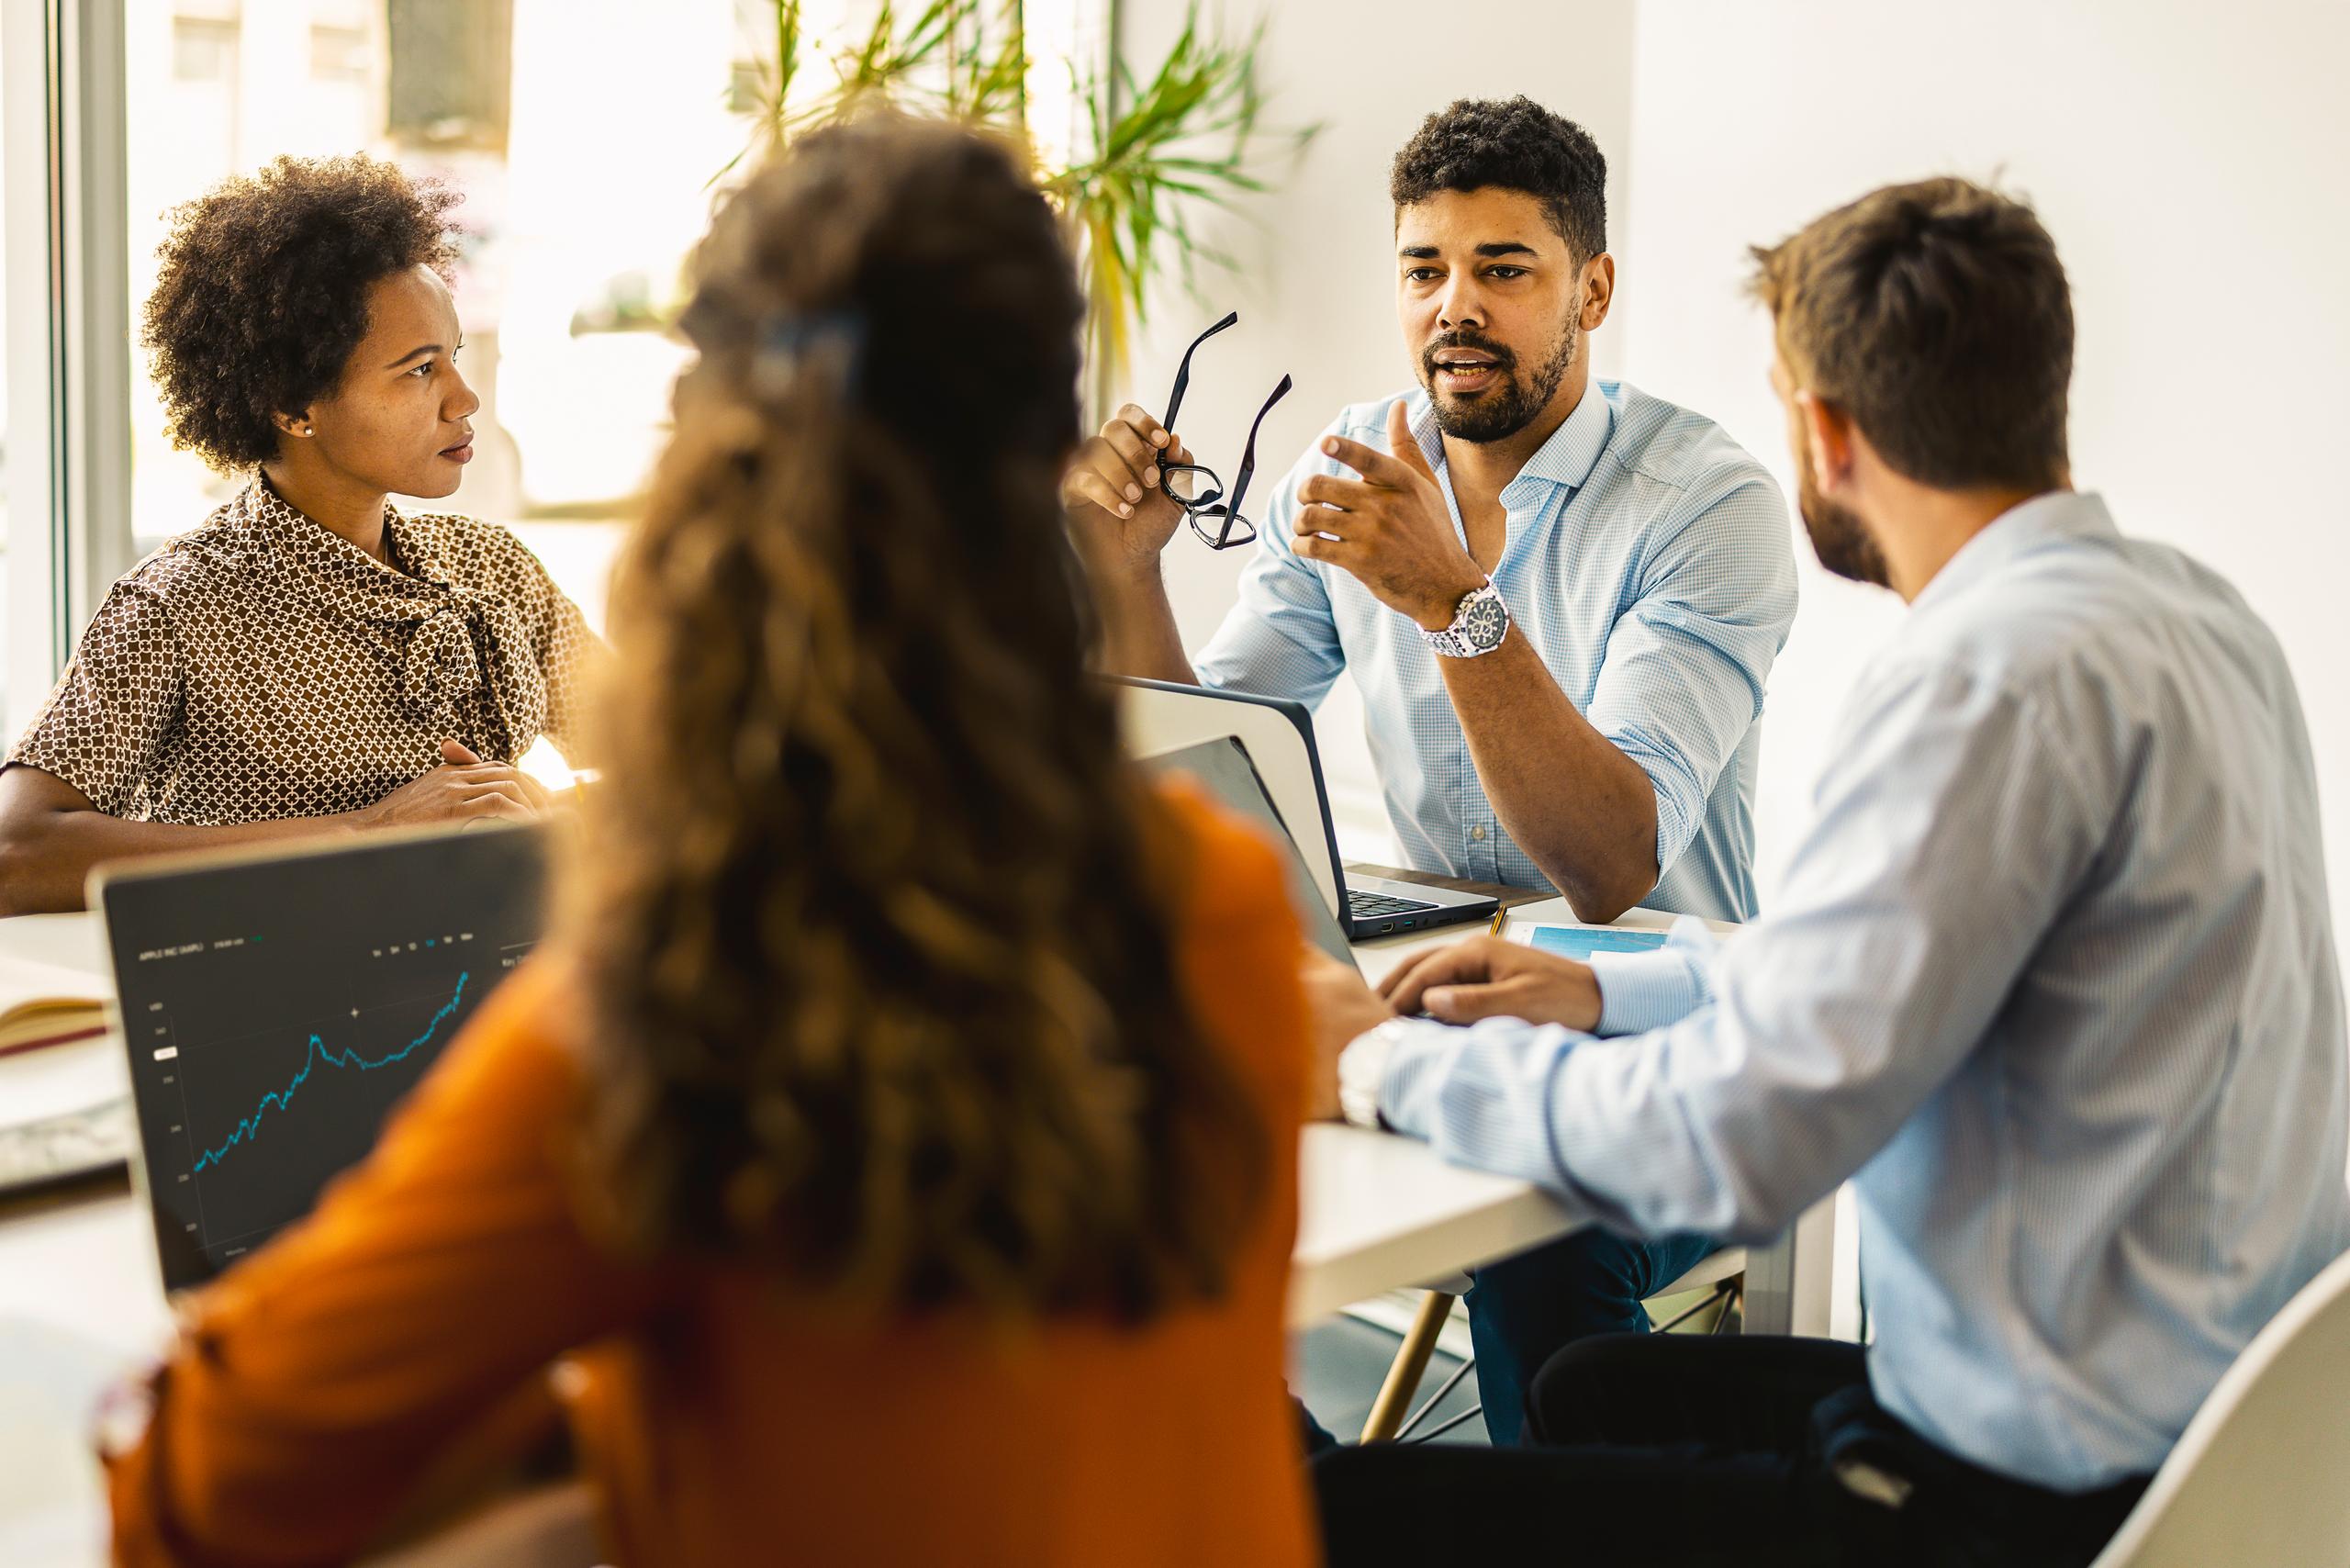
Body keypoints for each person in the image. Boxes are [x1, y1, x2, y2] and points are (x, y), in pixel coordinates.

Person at [102, 118, 1319, 1568]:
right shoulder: (1222, 904)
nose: (461, 399)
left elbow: (198, 1489)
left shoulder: (667, 1014)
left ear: (709, 480)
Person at [1304, 176, 2350, 1566]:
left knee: (1329, 1503)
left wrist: (1375, 1068)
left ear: (1826, 431)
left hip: (2007, 1503)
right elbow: (1874, 979)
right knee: (1585, 1391)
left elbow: (1733, 1145)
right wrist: (1603, 997)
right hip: (2210, 1436)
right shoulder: (2199, 619)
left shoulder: (1985, 684)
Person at [1066, 95, 1796, 1446]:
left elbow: (1612, 860)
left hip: (1661, 1026)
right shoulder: (1349, 468)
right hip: (1427, 998)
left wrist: (1454, 603)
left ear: (1594, 288)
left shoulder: (1708, 504)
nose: (1454, 307)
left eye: (1503, 270)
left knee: (1540, 1249)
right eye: (1425, 270)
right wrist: (1130, 576)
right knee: (1132, 1143)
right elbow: (1211, 760)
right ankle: (1284, 1482)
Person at [0, 154, 595, 915]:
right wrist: (366, 832)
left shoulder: (495, 568)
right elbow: (18, 854)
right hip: (283, 1013)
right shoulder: (179, 607)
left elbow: (666, 767)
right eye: (418, 370)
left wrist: (553, 817)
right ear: (292, 406)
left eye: (455, 359)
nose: (464, 398)